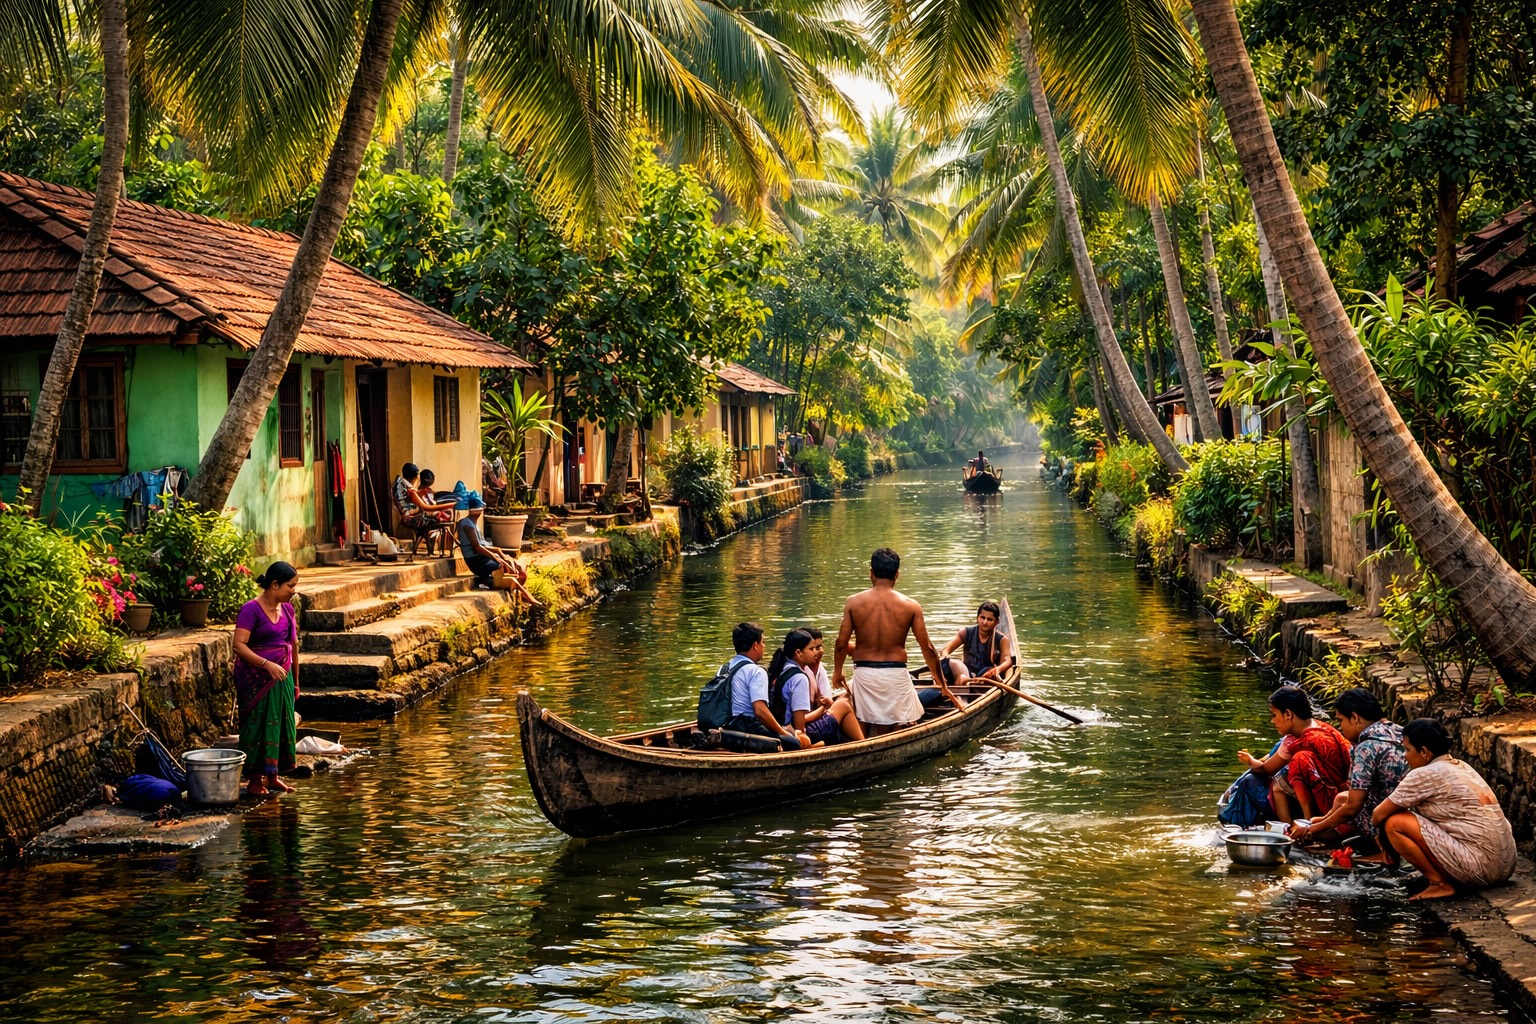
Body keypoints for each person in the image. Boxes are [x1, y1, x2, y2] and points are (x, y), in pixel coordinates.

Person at [1373, 718, 1517, 900]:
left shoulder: (1424, 773)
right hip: (1506, 867)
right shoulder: (1461, 766)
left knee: (1395, 822)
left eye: (1407, 750)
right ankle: (1441, 877)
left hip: (1481, 869)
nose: (1404, 756)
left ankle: (1439, 884)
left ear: (1424, 752)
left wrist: (1384, 844)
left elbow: (1377, 815)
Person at [834, 548, 961, 735]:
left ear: (871, 572)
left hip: (864, 673)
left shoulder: (853, 602)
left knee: (863, 721)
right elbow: (928, 649)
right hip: (895, 674)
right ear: (897, 575)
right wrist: (942, 685)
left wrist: (837, 672)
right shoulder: (910, 606)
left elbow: (841, 644)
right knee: (894, 727)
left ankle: (861, 749)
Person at [1289, 688, 1407, 856]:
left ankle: (1381, 851)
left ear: (1355, 717)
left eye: (1341, 720)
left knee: (1349, 806)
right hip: (1408, 809)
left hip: (1390, 819)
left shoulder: (1366, 747)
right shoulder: (1398, 731)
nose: (1340, 727)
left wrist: (1312, 829)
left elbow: (1353, 807)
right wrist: (1321, 821)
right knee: (1341, 798)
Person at [232, 562, 301, 796]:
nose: (294, 591)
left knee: (281, 723)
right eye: (290, 586)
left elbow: (293, 647)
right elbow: (238, 645)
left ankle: (273, 776)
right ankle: (254, 780)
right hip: (255, 678)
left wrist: (296, 681)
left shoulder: (288, 611)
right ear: (274, 585)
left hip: (282, 676)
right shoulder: (251, 610)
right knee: (257, 726)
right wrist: (266, 664)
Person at [1237, 686, 1352, 823]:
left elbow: (1267, 769)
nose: (1272, 721)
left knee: (1290, 770)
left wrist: (1251, 761)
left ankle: (1301, 823)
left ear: (1288, 714)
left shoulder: (1300, 742)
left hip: (1331, 801)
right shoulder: (1320, 727)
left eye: (1274, 715)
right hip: (1346, 795)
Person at [769, 628, 864, 745]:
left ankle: (859, 743)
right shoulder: (800, 678)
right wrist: (823, 709)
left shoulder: (784, 669)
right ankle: (864, 745)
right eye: (811, 649)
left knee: (841, 703)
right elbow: (800, 726)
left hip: (786, 728)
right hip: (799, 735)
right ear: (798, 653)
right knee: (844, 704)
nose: (816, 652)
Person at [724, 622, 802, 749]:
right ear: (755, 646)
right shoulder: (756, 671)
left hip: (727, 725)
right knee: (794, 743)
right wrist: (783, 733)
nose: (764, 646)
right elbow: (760, 711)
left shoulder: (725, 667)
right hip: (746, 727)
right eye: (763, 642)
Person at [457, 495, 543, 607]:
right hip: (475, 560)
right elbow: (477, 547)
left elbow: (482, 545)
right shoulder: (467, 524)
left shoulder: (473, 523)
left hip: (481, 557)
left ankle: (520, 591)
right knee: (501, 565)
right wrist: (496, 557)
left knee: (516, 567)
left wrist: (499, 552)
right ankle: (524, 594)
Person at [938, 600, 1012, 683]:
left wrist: (998, 669)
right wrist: (945, 660)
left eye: (989, 619)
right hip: (966, 673)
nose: (985, 622)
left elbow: (1008, 661)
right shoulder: (965, 632)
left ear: (996, 622)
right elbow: (945, 650)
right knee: (952, 664)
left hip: (986, 676)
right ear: (977, 618)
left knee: (987, 671)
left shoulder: (1002, 639)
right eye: (982, 618)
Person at [393, 462, 456, 533]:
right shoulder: (410, 491)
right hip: (414, 520)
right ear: (415, 478)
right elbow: (425, 507)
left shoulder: (403, 486)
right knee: (444, 516)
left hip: (409, 517)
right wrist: (451, 505)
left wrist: (420, 492)